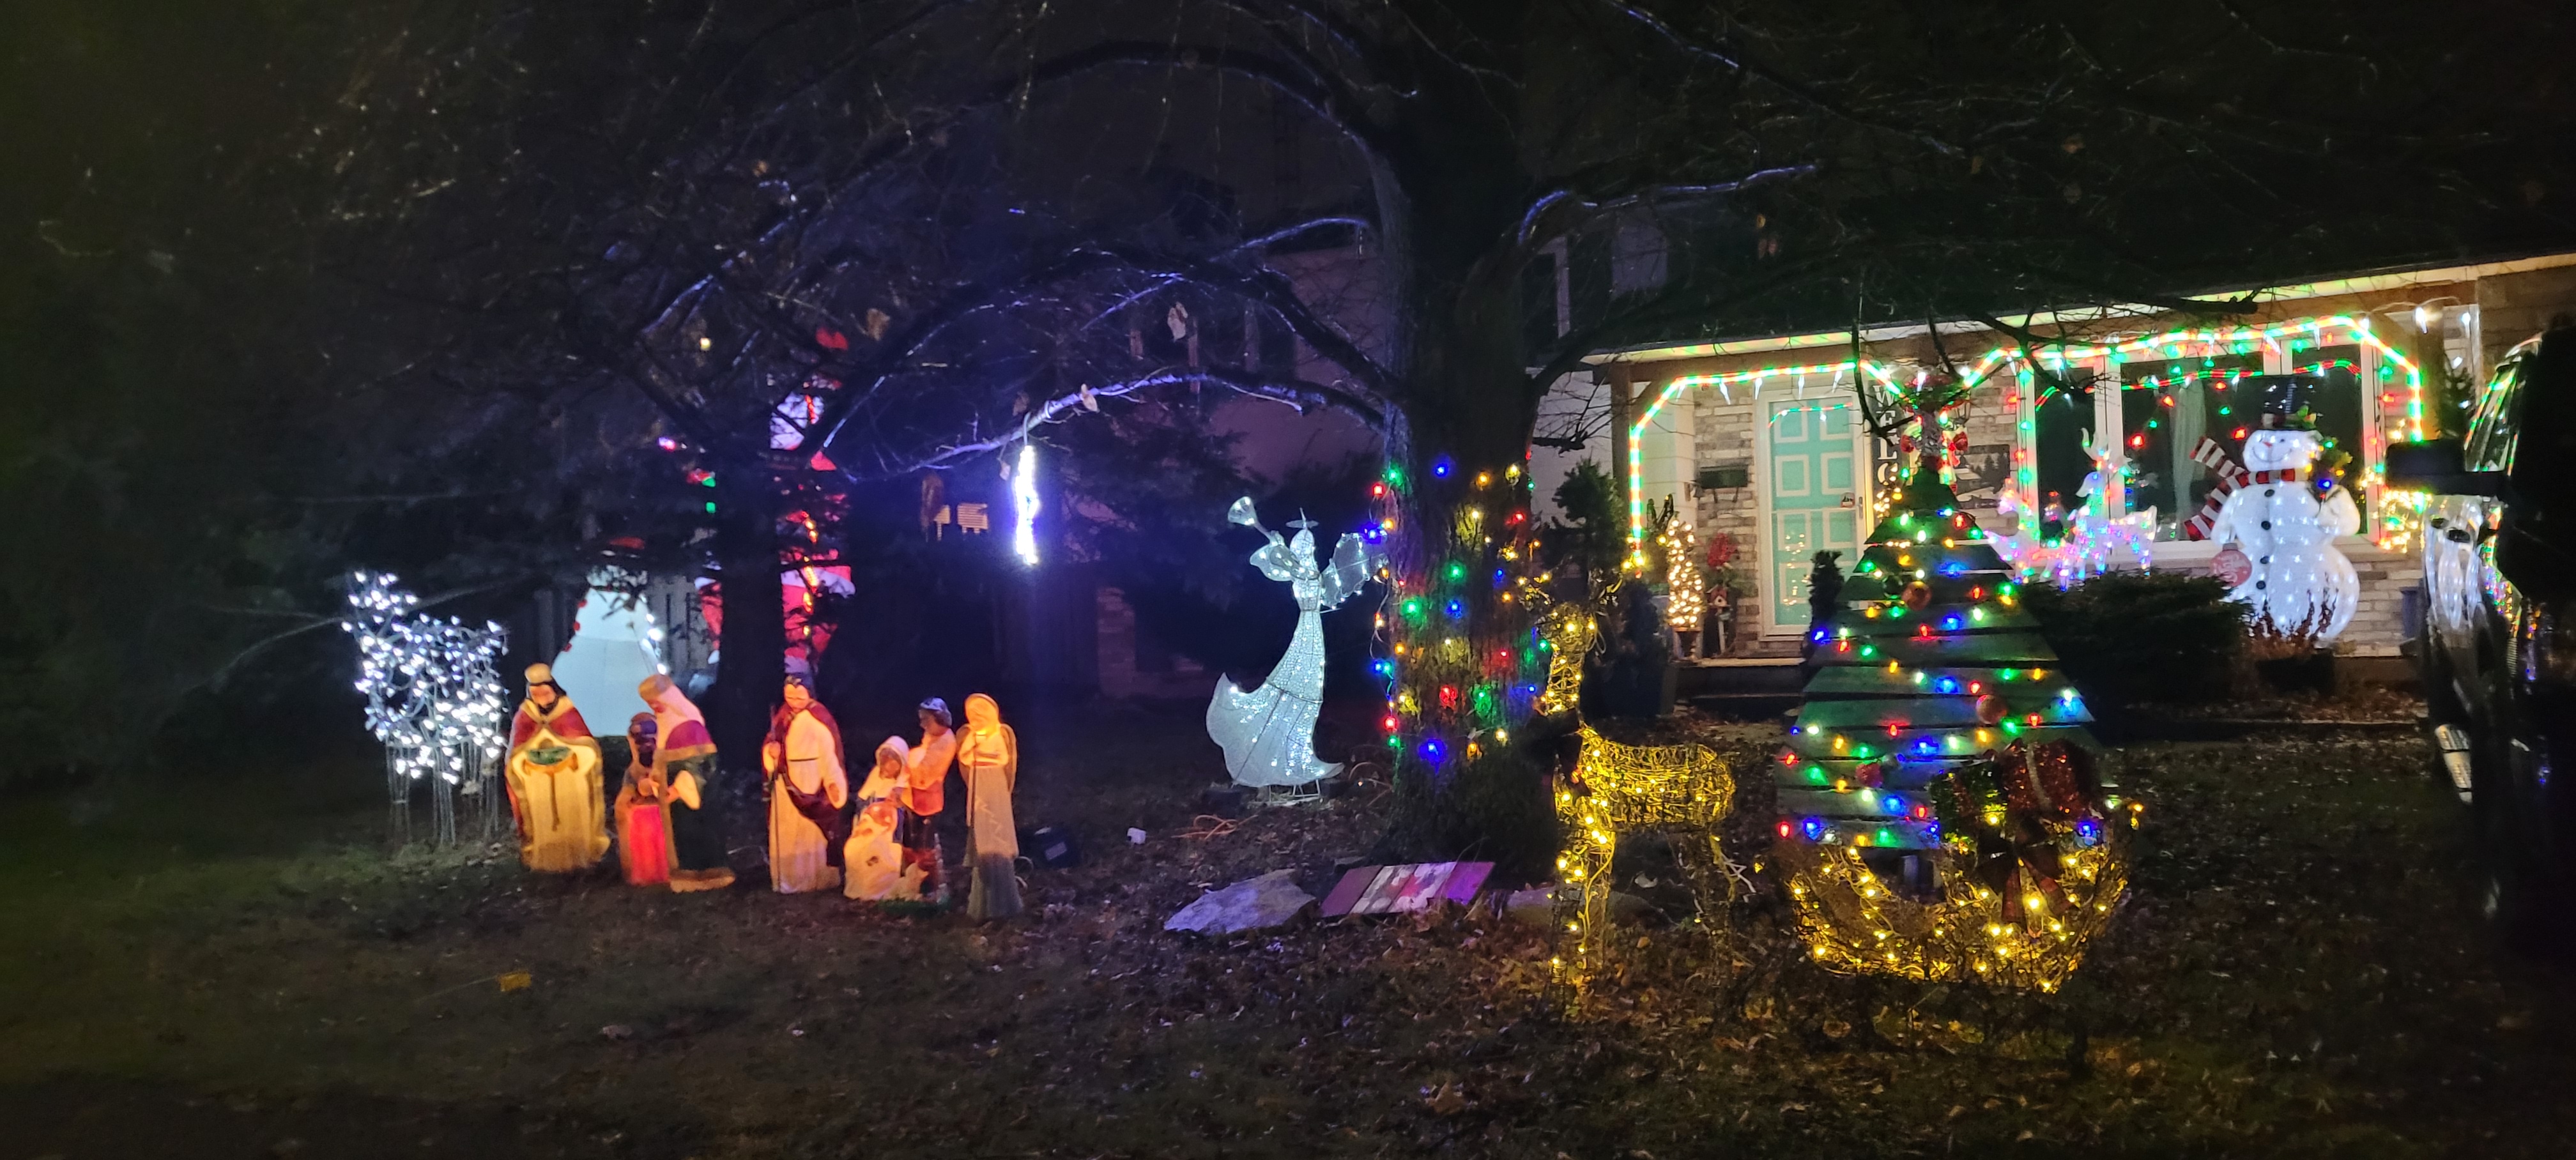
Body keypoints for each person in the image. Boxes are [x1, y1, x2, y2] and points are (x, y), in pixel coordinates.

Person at [503, 664, 608, 873]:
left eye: (545, 691)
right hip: (537, 782)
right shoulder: (524, 716)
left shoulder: (568, 712)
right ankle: (544, 857)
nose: (541, 697)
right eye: (536, 693)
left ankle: (580, 852)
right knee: (544, 818)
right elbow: (515, 752)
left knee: (573, 812)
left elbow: (587, 746)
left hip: (570, 778)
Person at [641, 674, 733, 892]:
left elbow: (701, 767)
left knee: (695, 830)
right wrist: (657, 777)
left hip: (692, 795)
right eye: (651, 704)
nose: (655, 708)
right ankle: (688, 873)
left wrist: (677, 789)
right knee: (682, 832)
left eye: (657, 702)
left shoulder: (689, 728)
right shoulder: (667, 725)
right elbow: (663, 757)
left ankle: (707, 872)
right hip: (675, 796)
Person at [763, 675, 848, 894]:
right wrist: (772, 753)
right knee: (789, 829)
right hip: (786, 779)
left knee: (810, 830)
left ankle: (815, 877)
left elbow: (830, 753)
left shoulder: (819, 717)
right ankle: (790, 877)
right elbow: (772, 741)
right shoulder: (783, 716)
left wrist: (832, 780)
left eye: (799, 696)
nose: (794, 701)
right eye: (789, 696)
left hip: (810, 779)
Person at [956, 694, 1023, 920]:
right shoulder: (971, 736)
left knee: (995, 824)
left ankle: (1004, 896)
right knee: (981, 823)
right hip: (978, 783)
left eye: (980, 714)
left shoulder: (998, 735)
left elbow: (1004, 759)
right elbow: (964, 758)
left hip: (993, 781)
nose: (977, 718)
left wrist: (984, 754)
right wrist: (973, 748)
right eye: (972, 714)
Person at [843, 736, 913, 901]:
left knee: (880, 854)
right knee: (853, 850)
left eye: (892, 761)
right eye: (884, 760)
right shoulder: (875, 776)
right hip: (866, 828)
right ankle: (861, 887)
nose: (887, 765)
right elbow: (863, 800)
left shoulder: (903, 783)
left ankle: (881, 888)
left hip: (888, 833)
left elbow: (903, 810)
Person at [901, 698, 957, 901]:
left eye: (927, 720)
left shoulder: (945, 742)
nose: (923, 725)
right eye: (922, 720)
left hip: (928, 799)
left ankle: (929, 887)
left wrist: (909, 766)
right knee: (910, 840)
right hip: (914, 797)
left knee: (925, 844)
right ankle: (911, 880)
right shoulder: (930, 737)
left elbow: (926, 773)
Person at [613, 713, 672, 887]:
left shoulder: (668, 765)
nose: (645, 744)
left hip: (664, 811)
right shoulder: (633, 771)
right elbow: (627, 794)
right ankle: (644, 872)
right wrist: (636, 792)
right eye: (638, 738)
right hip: (641, 815)